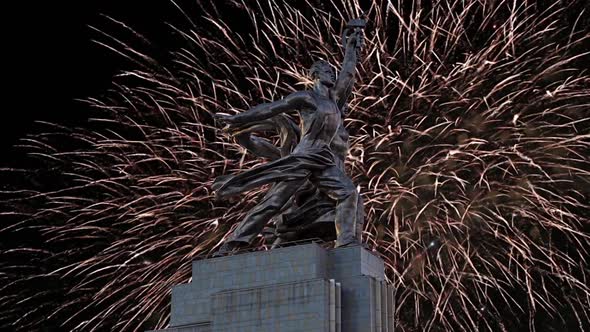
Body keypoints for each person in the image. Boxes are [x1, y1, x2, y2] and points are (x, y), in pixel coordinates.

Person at [213, 24, 365, 255]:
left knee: (348, 193)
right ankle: (231, 245)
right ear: (315, 75)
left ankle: (345, 242)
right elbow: (270, 109)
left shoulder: (334, 101)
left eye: (331, 70)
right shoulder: (307, 97)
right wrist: (238, 119)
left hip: (323, 159)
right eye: (326, 70)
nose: (331, 73)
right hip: (304, 157)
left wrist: (351, 46)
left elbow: (348, 74)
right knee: (274, 203)